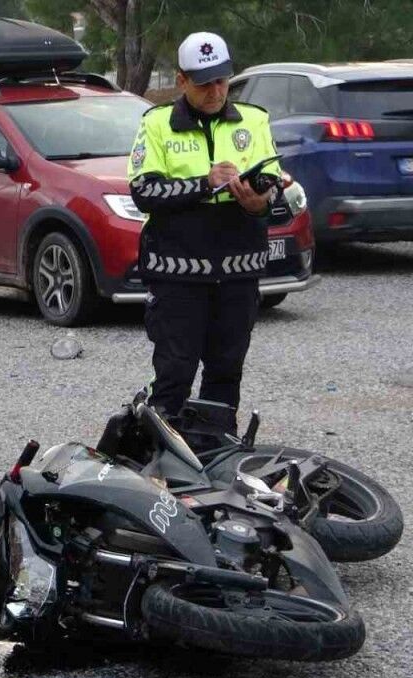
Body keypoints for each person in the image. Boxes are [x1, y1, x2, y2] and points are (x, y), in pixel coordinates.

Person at [128, 31, 281, 430]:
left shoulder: (254, 119)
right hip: (177, 275)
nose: (215, 92)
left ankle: (217, 453)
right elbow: (144, 191)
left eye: (221, 81)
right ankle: (159, 456)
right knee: (174, 373)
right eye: (203, 83)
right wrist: (204, 184)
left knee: (226, 374)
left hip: (238, 274)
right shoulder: (157, 123)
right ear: (182, 81)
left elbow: (274, 185)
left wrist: (259, 200)